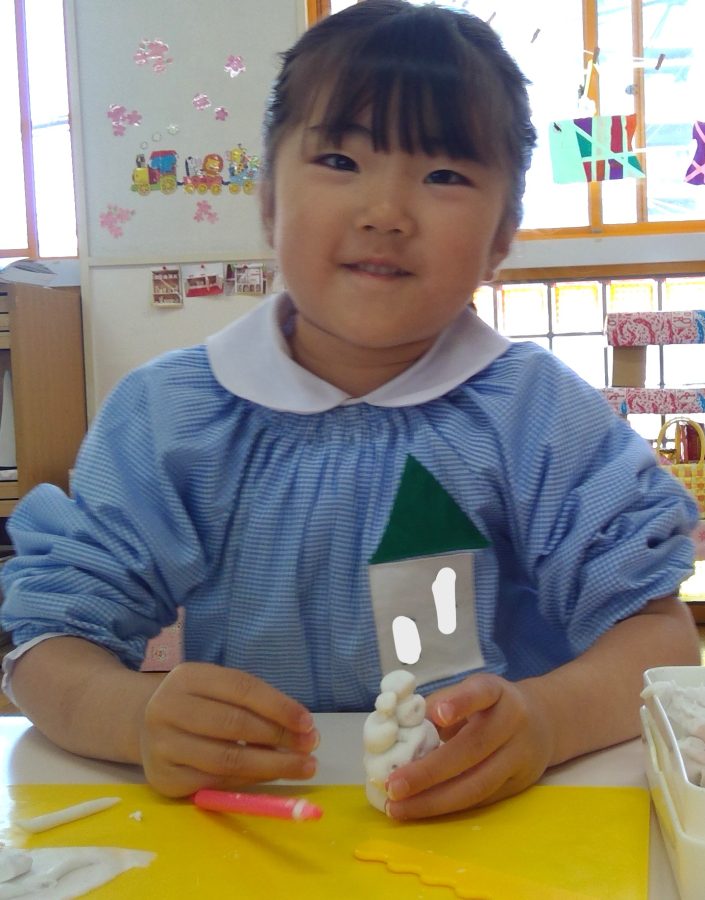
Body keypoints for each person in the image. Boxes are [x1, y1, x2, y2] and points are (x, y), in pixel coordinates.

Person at [0, 0, 700, 821]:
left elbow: (658, 636)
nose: (385, 212)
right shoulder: (172, 416)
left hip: (492, 823)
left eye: (443, 175)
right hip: (256, 829)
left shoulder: (537, 415)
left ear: (500, 237)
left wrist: (547, 721)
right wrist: (133, 716)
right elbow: (45, 645)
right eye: (339, 159)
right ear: (268, 200)